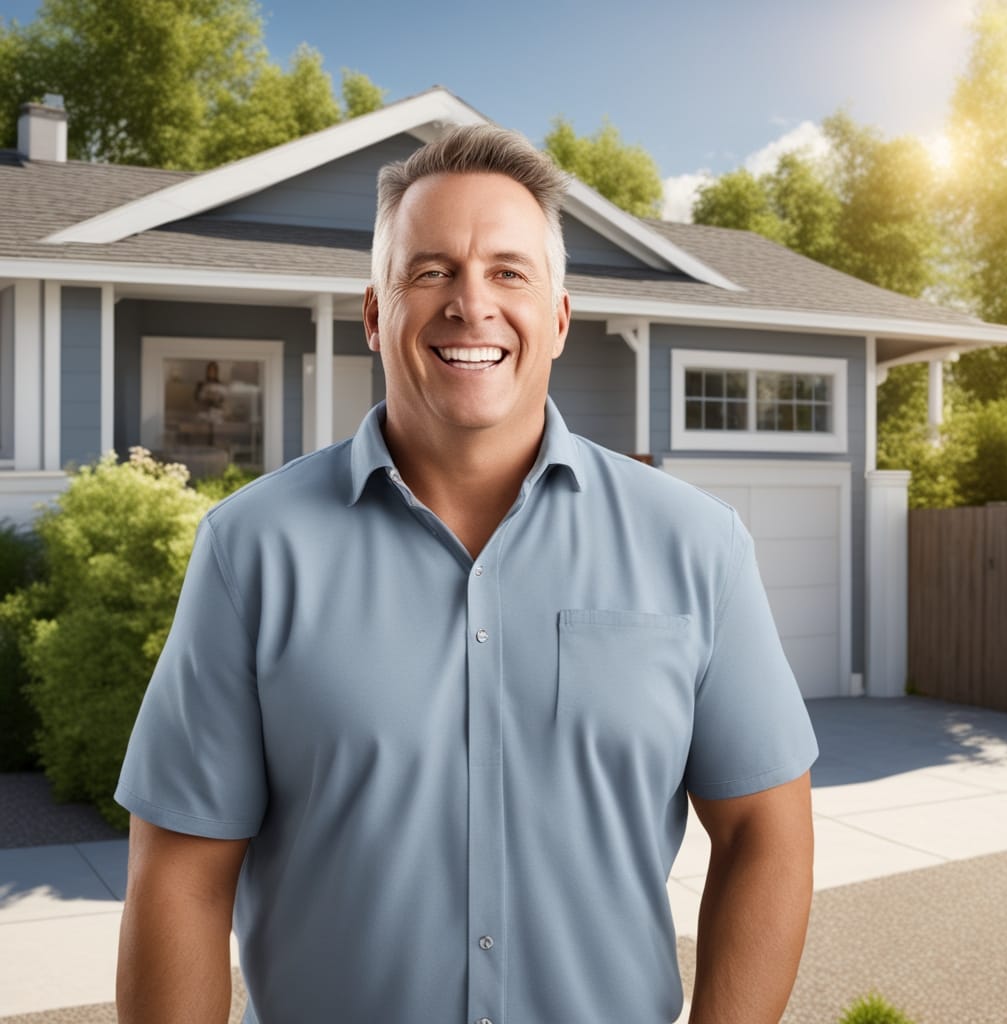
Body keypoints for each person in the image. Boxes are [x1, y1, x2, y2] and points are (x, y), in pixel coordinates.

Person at [115, 124, 817, 1024]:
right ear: (375, 314)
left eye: (509, 273)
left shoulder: (696, 544)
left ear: (559, 320)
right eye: (432, 270)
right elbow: (180, 873)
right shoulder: (250, 551)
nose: (471, 304)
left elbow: (767, 831)